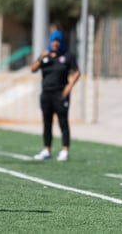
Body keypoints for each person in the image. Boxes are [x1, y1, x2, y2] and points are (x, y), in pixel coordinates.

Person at [31, 30, 81, 161]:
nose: (55, 43)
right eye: (53, 41)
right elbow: (33, 69)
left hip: (60, 94)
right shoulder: (45, 56)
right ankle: (47, 149)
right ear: (50, 42)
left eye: (58, 41)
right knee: (47, 123)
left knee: (63, 122)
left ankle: (65, 150)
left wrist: (68, 87)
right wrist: (40, 57)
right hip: (46, 94)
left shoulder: (67, 56)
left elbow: (77, 73)